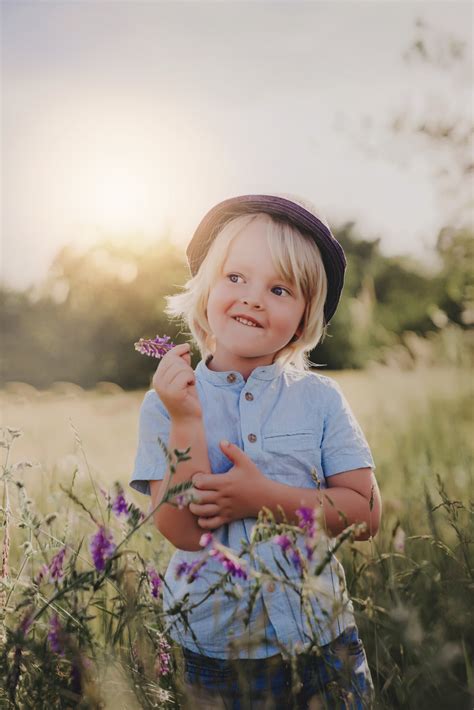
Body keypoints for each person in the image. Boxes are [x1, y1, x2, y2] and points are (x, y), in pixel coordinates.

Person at [129, 194, 381, 709]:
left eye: (280, 288)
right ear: (205, 289)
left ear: (305, 314)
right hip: (215, 653)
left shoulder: (320, 400)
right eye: (235, 278)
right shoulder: (168, 404)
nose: (254, 298)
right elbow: (182, 532)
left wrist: (262, 497)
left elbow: (366, 513)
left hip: (323, 637)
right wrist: (187, 420)